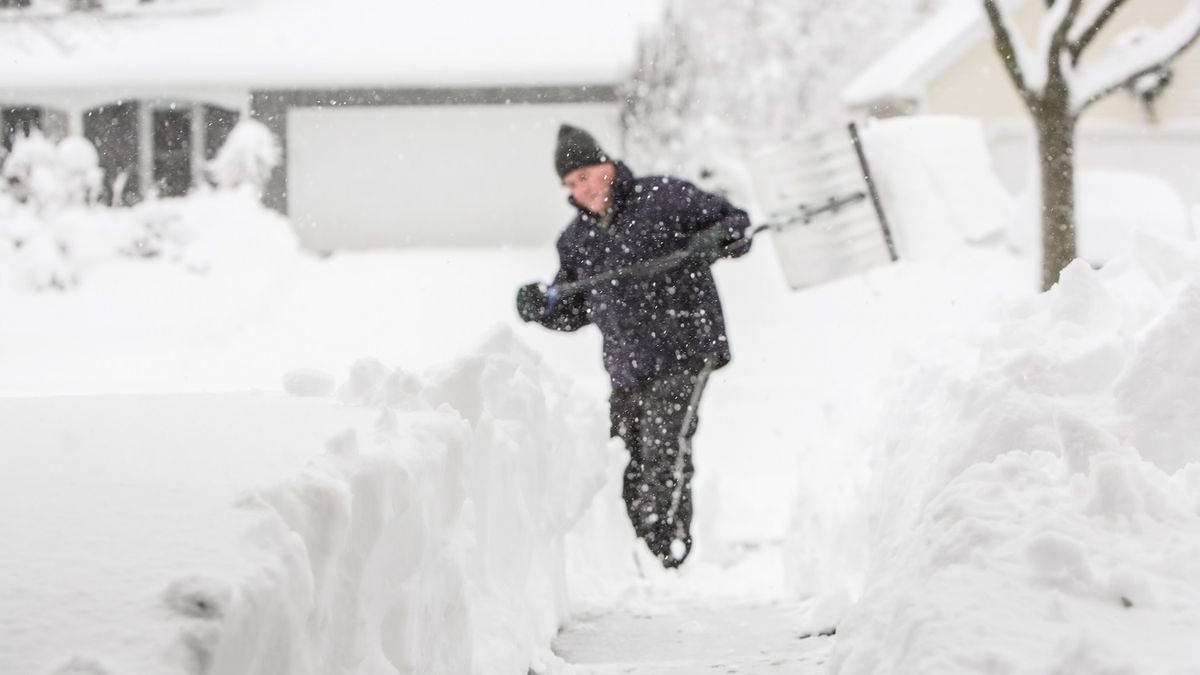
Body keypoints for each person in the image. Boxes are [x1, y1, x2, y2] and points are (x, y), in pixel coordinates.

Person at [515, 124, 751, 568]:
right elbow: (573, 308)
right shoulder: (576, 240)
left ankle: (666, 547)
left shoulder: (662, 197)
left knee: (664, 446)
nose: (581, 190)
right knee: (624, 452)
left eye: (585, 176)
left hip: (685, 347)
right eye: (570, 184)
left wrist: (715, 240)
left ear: (606, 165)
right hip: (628, 365)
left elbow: (736, 223)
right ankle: (635, 552)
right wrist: (541, 307)